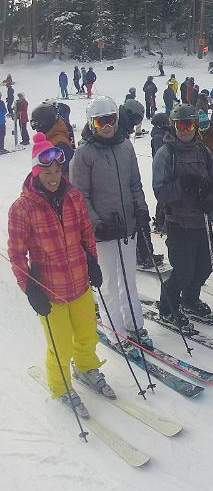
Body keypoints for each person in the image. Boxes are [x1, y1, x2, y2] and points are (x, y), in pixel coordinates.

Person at [9, 132, 114, 416]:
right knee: (60, 345)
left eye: (57, 171)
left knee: (87, 334)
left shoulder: (73, 196)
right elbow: (16, 255)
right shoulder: (22, 209)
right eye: (47, 172)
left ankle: (86, 367)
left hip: (80, 282)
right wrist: (29, 288)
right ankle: (61, 386)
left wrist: (92, 261)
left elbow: (86, 233)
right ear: (36, 172)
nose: (54, 178)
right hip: (50, 291)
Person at [71, 96, 153, 349]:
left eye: (111, 120)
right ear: (91, 123)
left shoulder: (125, 146)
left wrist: (141, 209)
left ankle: (134, 323)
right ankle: (115, 330)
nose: (107, 126)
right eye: (101, 122)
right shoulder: (84, 154)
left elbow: (135, 183)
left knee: (128, 278)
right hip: (103, 231)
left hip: (127, 226)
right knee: (108, 283)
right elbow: (80, 196)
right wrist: (96, 223)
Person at [153, 104, 213, 327]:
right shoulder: (166, 154)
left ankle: (190, 299)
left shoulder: (203, 151)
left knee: (204, 265)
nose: (185, 130)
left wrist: (212, 198)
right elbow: (160, 192)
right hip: (179, 222)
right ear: (173, 126)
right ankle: (168, 307)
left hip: (201, 220)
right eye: (180, 125)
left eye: (189, 125)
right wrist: (182, 184)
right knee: (183, 271)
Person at [29, 101, 75, 176]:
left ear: (44, 124)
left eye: (37, 125)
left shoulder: (59, 144)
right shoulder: (51, 137)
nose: (36, 130)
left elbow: (61, 172)